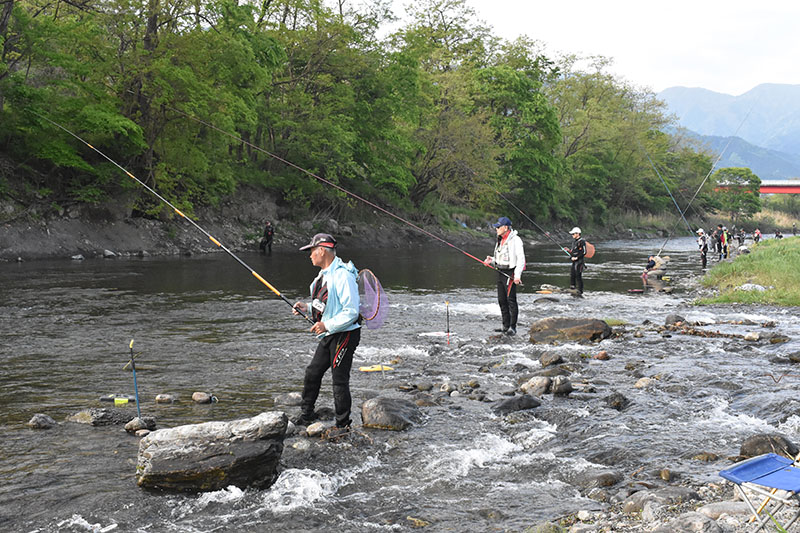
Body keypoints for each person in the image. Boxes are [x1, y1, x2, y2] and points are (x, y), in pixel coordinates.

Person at [291, 233, 361, 437]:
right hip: (329, 332)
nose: (310, 255)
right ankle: (307, 415)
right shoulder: (322, 276)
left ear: (322, 250)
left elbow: (351, 311)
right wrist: (306, 307)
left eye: (312, 251)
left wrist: (326, 325)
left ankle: (342, 426)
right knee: (313, 372)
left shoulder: (343, 275)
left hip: (345, 334)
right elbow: (325, 304)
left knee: (339, 379)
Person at [483, 216, 525, 336]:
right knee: (501, 300)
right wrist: (491, 260)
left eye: (498, 227)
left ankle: (513, 327)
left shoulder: (516, 240)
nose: (496, 229)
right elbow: (501, 257)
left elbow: (521, 259)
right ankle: (505, 326)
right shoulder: (500, 240)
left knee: (511, 300)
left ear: (506, 227)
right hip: (500, 271)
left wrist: (517, 275)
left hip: (510, 273)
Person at [568, 227, 585, 295]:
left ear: (577, 234)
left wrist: (577, 257)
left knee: (578, 275)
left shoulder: (582, 241)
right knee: (572, 274)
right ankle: (573, 287)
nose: (572, 235)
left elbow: (584, 252)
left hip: (579, 262)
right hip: (574, 261)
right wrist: (570, 255)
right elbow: (573, 252)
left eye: (573, 234)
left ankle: (580, 291)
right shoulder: (574, 242)